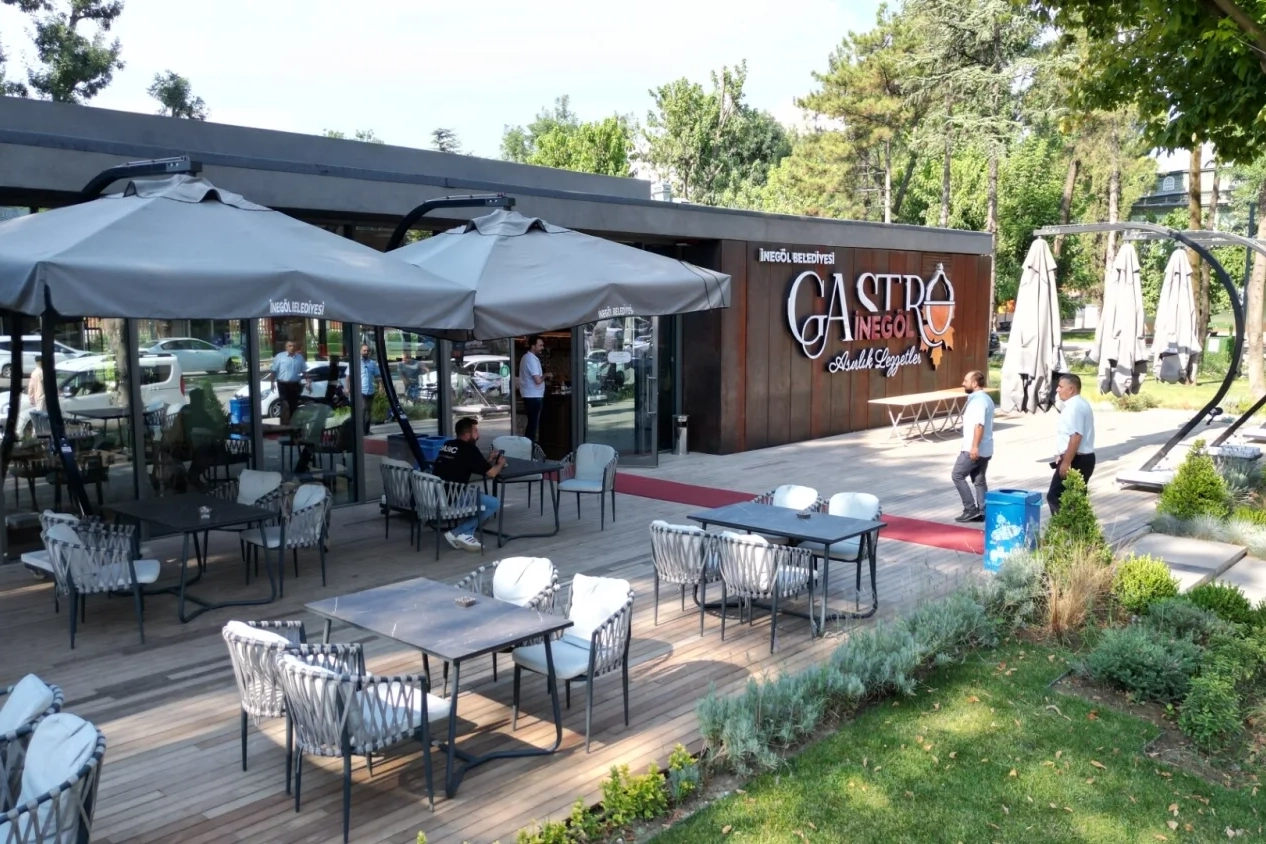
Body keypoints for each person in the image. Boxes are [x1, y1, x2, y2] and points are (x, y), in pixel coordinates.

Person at [431, 416, 505, 551]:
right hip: (452, 497)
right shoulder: (470, 450)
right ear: (467, 435)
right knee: (493, 503)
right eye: (475, 431)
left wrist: (488, 459)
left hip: (435, 494)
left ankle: (466, 534)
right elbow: (492, 473)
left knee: (477, 496)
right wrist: (500, 464)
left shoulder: (448, 444)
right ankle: (457, 532)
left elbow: (468, 463)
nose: (478, 435)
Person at [1048, 373, 1096, 513]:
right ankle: (1078, 526)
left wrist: (1067, 461)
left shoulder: (1073, 407)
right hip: (1082, 457)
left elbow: (1076, 436)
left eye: (1060, 386)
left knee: (1055, 496)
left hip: (1077, 459)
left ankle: (1063, 526)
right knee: (1076, 499)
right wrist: (1062, 454)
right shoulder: (1080, 404)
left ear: (1071, 389)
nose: (1057, 389)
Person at [950, 370, 994, 523]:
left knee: (957, 475)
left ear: (974, 383)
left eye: (965, 381)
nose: (963, 383)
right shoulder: (985, 398)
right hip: (986, 448)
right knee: (979, 480)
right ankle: (984, 511)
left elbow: (979, 425)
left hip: (974, 449)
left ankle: (970, 509)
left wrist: (974, 447)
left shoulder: (978, 401)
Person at [270, 341, 307, 425]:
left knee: (294, 405)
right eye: (290, 346)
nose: (292, 348)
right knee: (285, 405)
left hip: (295, 384)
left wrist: (308, 382)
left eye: (293, 346)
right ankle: (284, 426)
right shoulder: (280, 357)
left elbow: (304, 371)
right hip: (283, 384)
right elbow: (273, 371)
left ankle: (293, 425)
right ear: (286, 347)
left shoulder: (299, 357)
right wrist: (272, 382)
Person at [519, 335, 545, 443]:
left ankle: (529, 446)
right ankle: (530, 448)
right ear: (533, 346)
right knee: (532, 426)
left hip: (530, 395)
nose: (542, 347)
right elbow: (538, 380)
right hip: (533, 396)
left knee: (532, 424)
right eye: (540, 345)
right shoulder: (531, 359)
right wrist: (546, 375)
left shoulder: (527, 357)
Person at [352, 344, 380, 435]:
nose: (366, 352)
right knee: (363, 409)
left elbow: (377, 376)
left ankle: (366, 430)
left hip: (370, 391)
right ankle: (361, 430)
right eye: (364, 350)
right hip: (361, 390)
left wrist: (381, 387)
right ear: (360, 351)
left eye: (367, 351)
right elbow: (348, 375)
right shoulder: (356, 362)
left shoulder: (372, 363)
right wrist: (347, 387)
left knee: (368, 411)